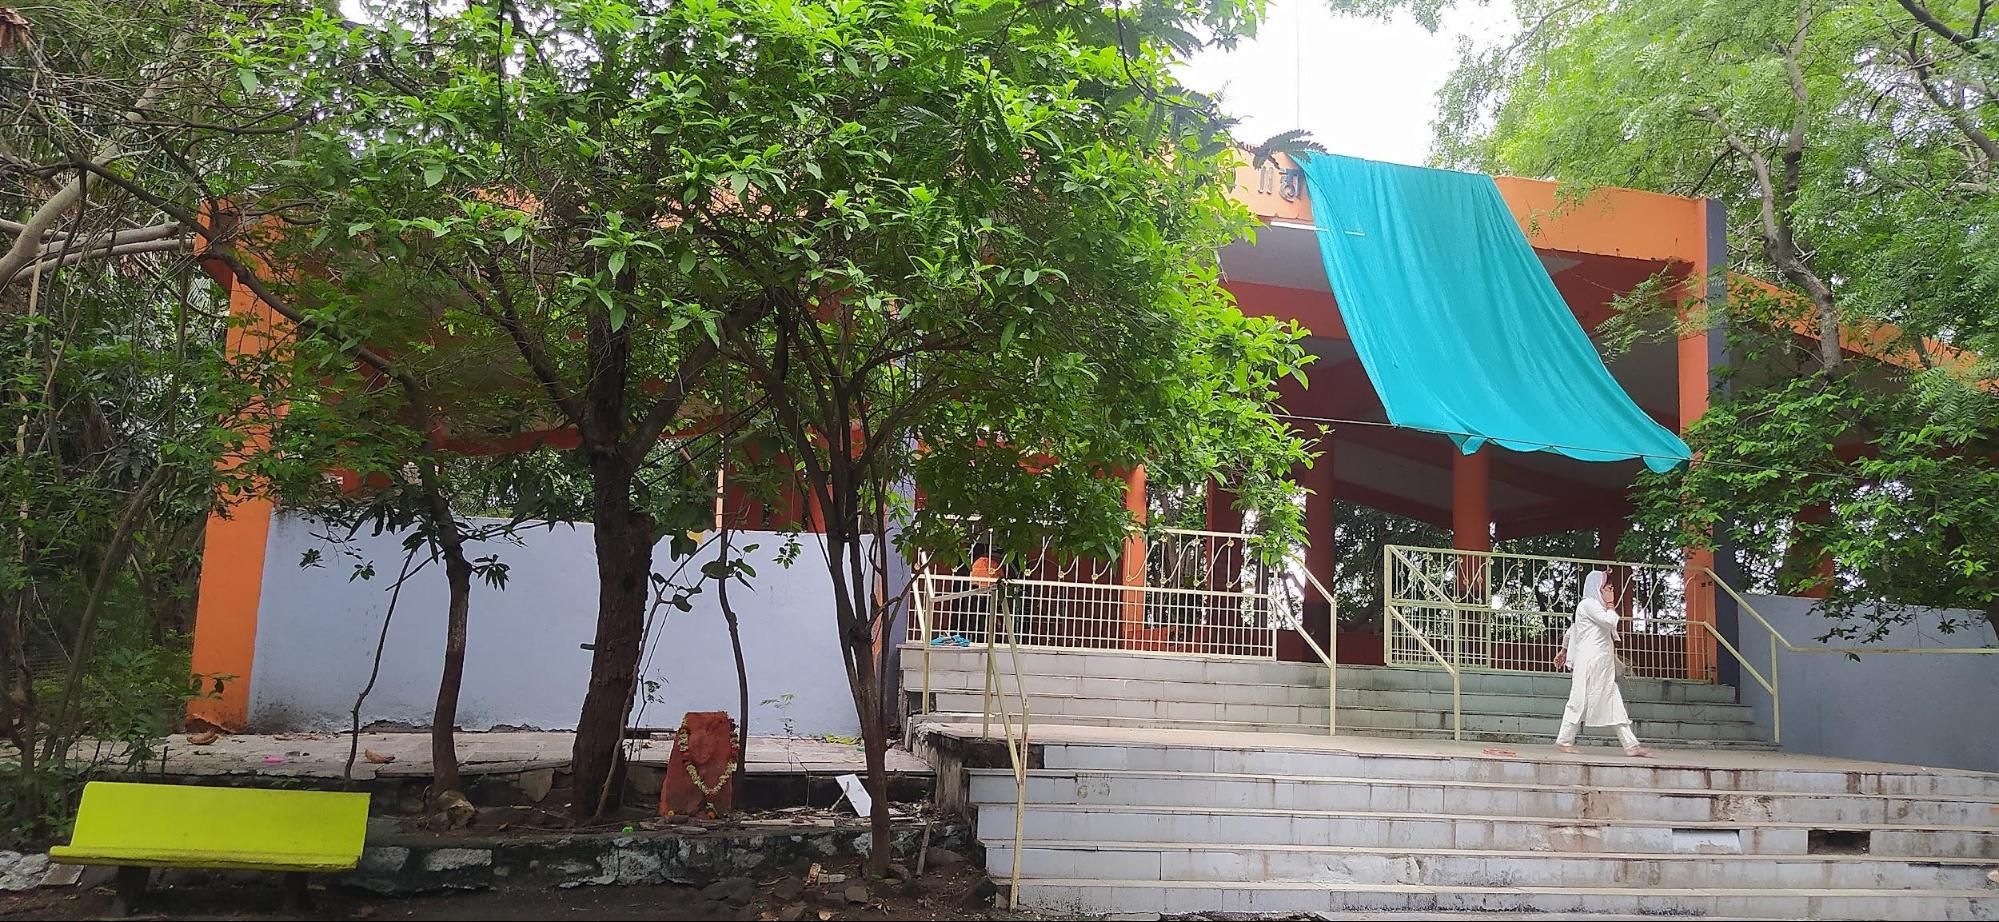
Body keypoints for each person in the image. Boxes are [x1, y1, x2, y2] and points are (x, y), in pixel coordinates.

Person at [1550, 571, 1652, 757]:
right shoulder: (1588, 605)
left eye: (1612, 589)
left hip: (1602, 664)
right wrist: (1611, 604)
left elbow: (1572, 631)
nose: (1611, 592)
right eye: (1608, 588)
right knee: (1578, 699)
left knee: (1613, 700)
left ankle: (1631, 745)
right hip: (1590, 662)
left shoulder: (1594, 607)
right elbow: (1609, 622)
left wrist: (1564, 650)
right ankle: (1564, 740)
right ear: (1597, 587)